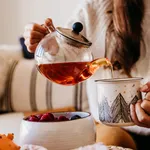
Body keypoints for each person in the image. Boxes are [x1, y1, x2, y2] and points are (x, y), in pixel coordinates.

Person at [23, 0, 150, 149]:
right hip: (111, 127)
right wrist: (47, 44)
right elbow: (65, 53)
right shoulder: (90, 11)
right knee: (109, 141)